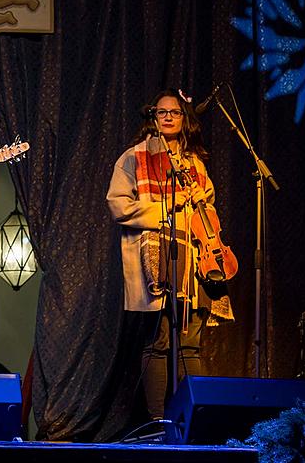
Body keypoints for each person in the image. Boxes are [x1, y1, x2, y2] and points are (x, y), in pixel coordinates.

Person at [106, 89, 233, 421]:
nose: (167, 117)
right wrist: (160, 210)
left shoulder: (194, 162)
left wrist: (198, 199)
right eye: (160, 112)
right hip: (155, 261)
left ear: (184, 118)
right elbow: (117, 204)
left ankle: (193, 418)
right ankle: (160, 423)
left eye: (175, 112)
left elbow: (208, 209)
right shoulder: (133, 157)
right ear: (152, 117)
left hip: (195, 260)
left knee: (191, 342)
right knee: (159, 341)